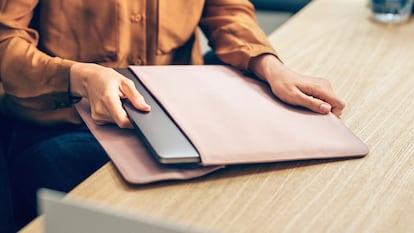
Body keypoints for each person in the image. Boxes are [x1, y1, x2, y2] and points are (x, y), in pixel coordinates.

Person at [0, 0, 345, 230]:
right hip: (62, 124)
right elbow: (6, 41)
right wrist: (77, 76)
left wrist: (268, 65)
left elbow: (227, 10)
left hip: (182, 111)